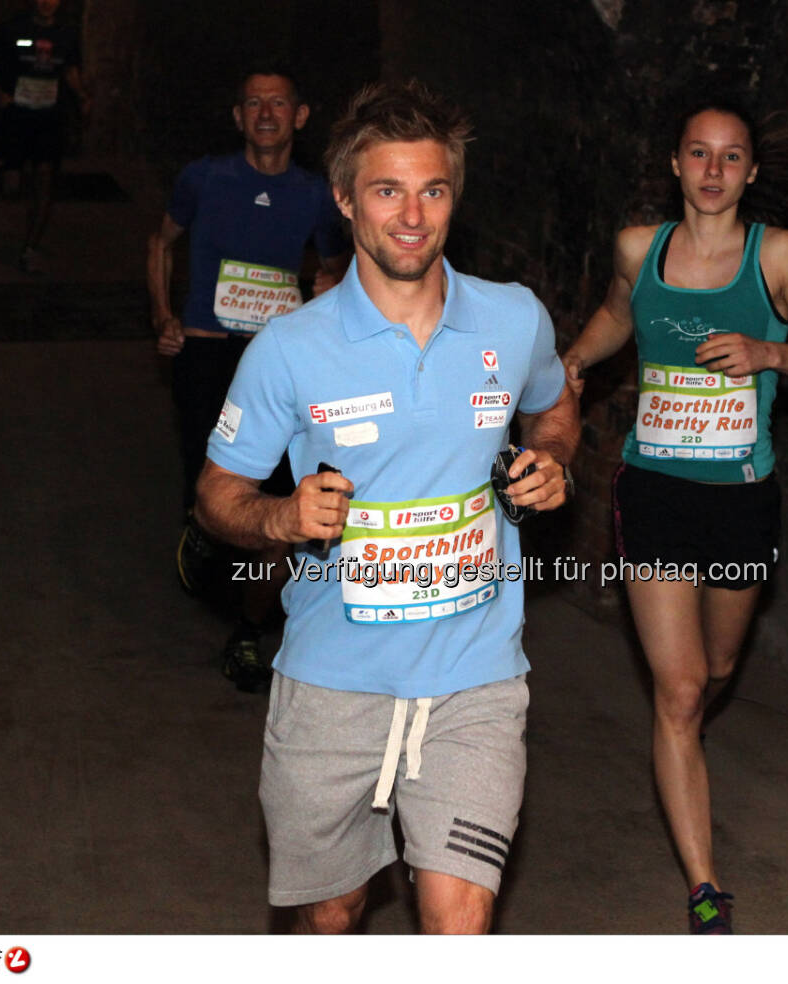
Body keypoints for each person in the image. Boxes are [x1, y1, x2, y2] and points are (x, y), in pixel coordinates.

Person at [195, 80, 578, 933]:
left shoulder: (513, 321)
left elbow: (555, 404)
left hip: (475, 678)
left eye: (432, 189)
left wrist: (551, 460)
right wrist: (282, 520)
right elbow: (217, 497)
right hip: (335, 680)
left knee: (458, 917)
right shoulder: (288, 352)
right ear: (343, 199)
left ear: (454, 198)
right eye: (387, 190)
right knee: (332, 914)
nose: (412, 215)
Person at [561, 100, 788, 934]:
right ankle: (704, 887)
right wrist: (576, 359)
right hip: (653, 489)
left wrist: (771, 353)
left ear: (750, 173)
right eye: (699, 154)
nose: (714, 171)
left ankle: (685, 730)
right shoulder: (639, 248)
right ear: (675, 165)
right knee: (679, 690)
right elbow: (621, 310)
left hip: (741, 498)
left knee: (718, 668)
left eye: (731, 158)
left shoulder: (777, 258)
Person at [148, 68, 350, 692]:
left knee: (287, 498)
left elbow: (342, 263)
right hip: (207, 355)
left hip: (282, 366)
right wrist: (163, 315)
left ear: (301, 115)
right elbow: (160, 241)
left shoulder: (317, 193)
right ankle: (203, 533)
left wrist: (332, 284)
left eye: (279, 103)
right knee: (215, 491)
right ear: (238, 117)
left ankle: (247, 631)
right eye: (254, 103)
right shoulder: (204, 178)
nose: (266, 113)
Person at [0, 0, 91, 274]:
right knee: (12, 186)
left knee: (44, 178)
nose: (47, 3)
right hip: (16, 114)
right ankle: (8, 169)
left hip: (49, 117)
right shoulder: (13, 28)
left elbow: (70, 70)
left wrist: (81, 95)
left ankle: (31, 247)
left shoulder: (66, 34)